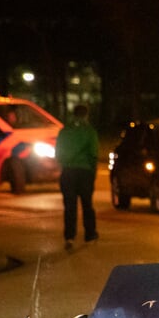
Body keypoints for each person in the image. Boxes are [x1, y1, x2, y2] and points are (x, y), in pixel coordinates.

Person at [55, 104, 99, 248]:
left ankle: (69, 237)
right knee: (87, 205)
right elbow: (94, 154)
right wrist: (93, 171)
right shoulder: (90, 132)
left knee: (69, 206)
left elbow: (58, 154)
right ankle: (90, 235)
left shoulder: (64, 132)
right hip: (85, 171)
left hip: (67, 172)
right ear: (86, 115)